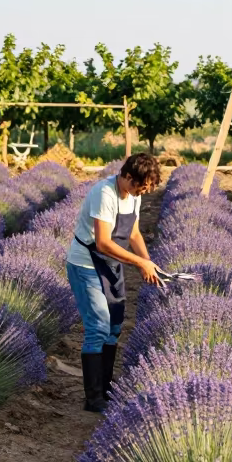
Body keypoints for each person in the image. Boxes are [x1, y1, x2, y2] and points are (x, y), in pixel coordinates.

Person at [66, 152, 162, 412]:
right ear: (127, 176)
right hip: (86, 263)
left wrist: (148, 262)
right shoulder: (104, 194)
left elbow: (132, 232)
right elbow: (103, 242)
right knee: (97, 326)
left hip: (110, 263)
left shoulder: (133, 196)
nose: (141, 192)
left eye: (146, 189)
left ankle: (107, 389)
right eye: (139, 186)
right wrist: (139, 263)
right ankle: (93, 397)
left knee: (114, 327)